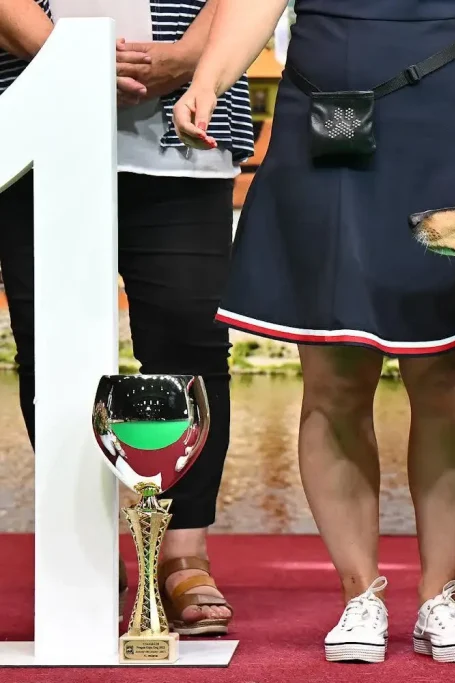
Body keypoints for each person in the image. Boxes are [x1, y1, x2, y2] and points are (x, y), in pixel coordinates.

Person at [173, 0, 455, 664]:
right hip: (326, 114)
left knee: (450, 374)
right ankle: (360, 593)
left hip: (449, 113)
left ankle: (441, 596)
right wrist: (209, 78)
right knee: (333, 374)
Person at [0, 0, 253, 635]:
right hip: (37, 120)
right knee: (51, 351)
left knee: (191, 343)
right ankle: (85, 549)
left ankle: (182, 552)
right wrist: (69, 63)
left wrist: (196, 58)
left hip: (187, 125)